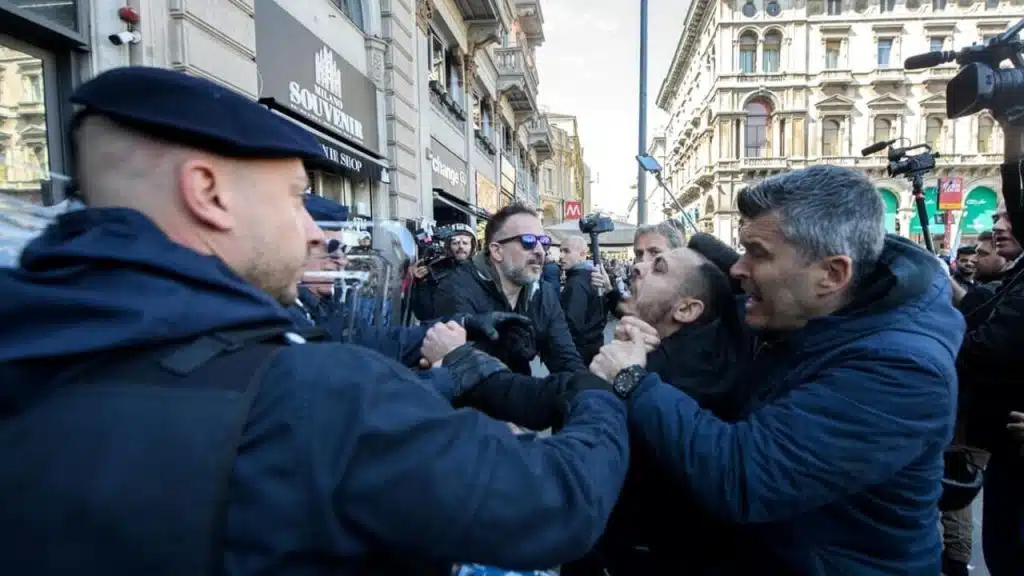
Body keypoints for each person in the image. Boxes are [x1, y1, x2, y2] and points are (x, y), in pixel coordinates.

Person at [0, 67, 634, 575]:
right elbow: (554, 502)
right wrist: (603, 395)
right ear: (208, 192)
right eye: (296, 196)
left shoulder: (34, 344)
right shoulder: (315, 396)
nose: (311, 232)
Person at [590, 165, 963, 574]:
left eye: (758, 254)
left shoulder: (901, 372)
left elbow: (743, 476)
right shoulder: (813, 305)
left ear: (833, 274)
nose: (737, 269)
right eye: (744, 249)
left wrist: (632, 381)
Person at [438, 246, 747, 575]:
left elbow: (555, 396)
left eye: (658, 267)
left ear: (686, 309)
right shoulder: (697, 358)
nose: (639, 267)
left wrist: (461, 360)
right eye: (640, 256)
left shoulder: (659, 374)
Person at [434, 204, 584, 375]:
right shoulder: (455, 289)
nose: (540, 251)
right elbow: (468, 374)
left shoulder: (544, 293)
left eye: (543, 242)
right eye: (528, 241)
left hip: (523, 391)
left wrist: (588, 394)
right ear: (497, 251)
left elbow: (566, 359)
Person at [410, 223, 476, 321]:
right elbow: (422, 314)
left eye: (465, 243)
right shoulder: (435, 272)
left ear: (472, 247)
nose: (461, 246)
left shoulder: (481, 274)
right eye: (455, 243)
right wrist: (421, 282)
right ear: (448, 247)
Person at [558, 235, 607, 365]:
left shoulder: (577, 283)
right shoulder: (591, 278)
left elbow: (571, 324)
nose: (561, 256)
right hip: (593, 348)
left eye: (567, 251)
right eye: (561, 251)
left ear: (582, 254)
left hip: (579, 353)